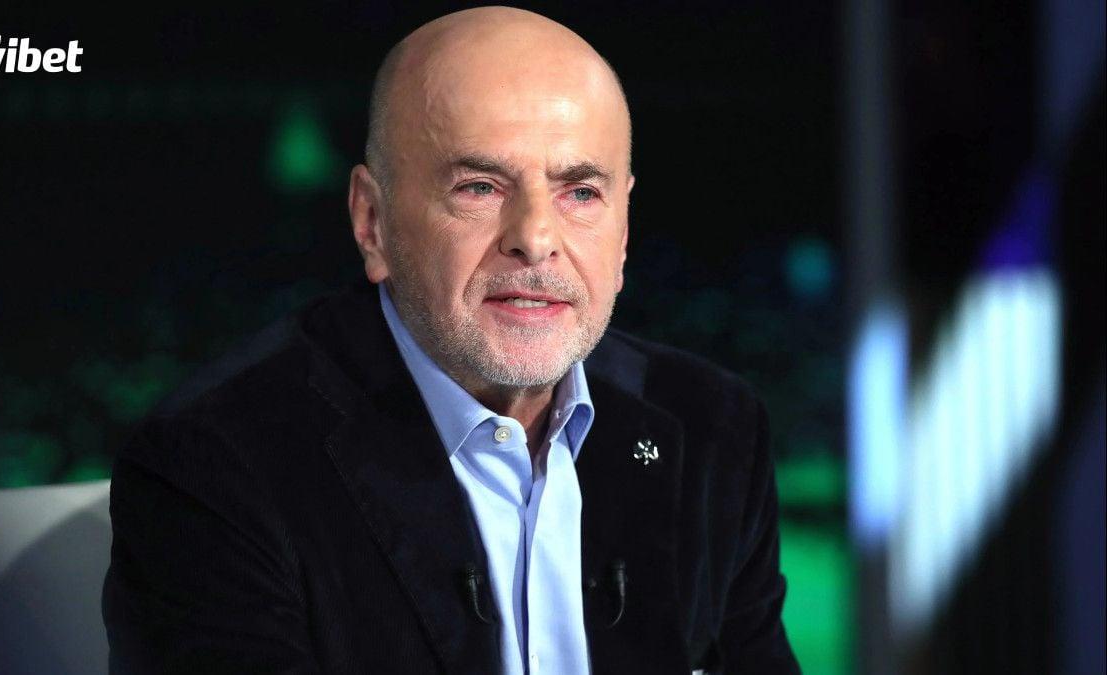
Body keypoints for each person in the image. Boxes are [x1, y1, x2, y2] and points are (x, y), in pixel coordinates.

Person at [102, 7, 801, 674]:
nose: (535, 237)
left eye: (581, 192)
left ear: (622, 231)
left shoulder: (714, 429)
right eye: (479, 187)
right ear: (372, 222)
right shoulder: (215, 466)